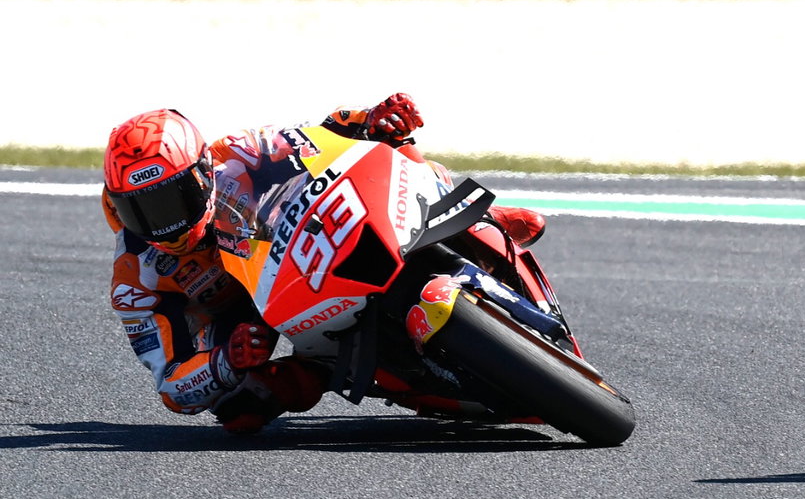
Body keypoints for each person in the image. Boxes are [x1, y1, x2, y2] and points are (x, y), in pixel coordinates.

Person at [102, 92, 549, 434]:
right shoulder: (133, 278)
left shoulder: (240, 151)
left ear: (202, 172)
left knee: (391, 152)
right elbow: (172, 386)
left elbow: (327, 134)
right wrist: (226, 360)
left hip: (286, 253)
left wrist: (375, 121)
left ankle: (471, 220)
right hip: (242, 319)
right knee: (240, 411)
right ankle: (328, 367)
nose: (164, 225)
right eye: (141, 212)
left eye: (171, 201)